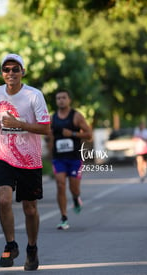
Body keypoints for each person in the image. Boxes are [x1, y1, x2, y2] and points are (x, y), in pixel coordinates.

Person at [0, 53, 51, 271]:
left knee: (30, 208)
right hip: (4, 153)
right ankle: (11, 244)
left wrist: (19, 123)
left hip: (29, 158)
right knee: (4, 200)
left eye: (15, 69)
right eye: (6, 69)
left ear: (23, 72)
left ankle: (32, 248)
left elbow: (45, 128)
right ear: (2, 73)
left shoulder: (34, 95)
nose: (11, 73)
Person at [48, 89, 92, 230]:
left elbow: (89, 134)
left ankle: (75, 198)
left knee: (74, 188)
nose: (61, 100)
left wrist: (72, 133)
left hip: (74, 158)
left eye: (63, 97)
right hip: (59, 158)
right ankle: (64, 217)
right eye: (58, 98)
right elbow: (49, 137)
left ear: (69, 100)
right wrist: (50, 150)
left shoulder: (76, 116)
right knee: (60, 185)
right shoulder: (52, 118)